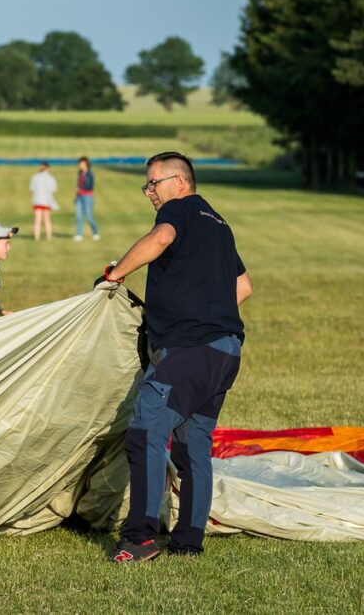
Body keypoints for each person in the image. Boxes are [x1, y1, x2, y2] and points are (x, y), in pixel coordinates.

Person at [99, 151, 253, 563]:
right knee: (192, 448)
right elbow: (244, 286)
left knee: (146, 430)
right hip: (225, 351)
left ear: (179, 182)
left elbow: (160, 239)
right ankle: (188, 543)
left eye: (153, 183)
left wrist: (115, 274)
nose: (149, 192)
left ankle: (139, 538)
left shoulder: (181, 211)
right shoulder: (219, 225)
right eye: (147, 185)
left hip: (190, 350)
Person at [30, 162, 58, 241]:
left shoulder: (35, 177)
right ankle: (49, 237)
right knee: (47, 219)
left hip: (37, 200)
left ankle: (36, 237)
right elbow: (53, 190)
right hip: (47, 201)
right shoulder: (50, 178)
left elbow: (32, 189)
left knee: (37, 220)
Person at [74, 156, 100, 241]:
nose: (80, 165)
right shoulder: (80, 172)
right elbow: (79, 183)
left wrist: (80, 189)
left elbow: (90, 186)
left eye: (81, 163)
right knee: (78, 216)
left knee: (89, 216)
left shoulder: (90, 174)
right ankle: (79, 234)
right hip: (79, 197)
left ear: (86, 164)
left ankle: (95, 232)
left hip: (87, 196)